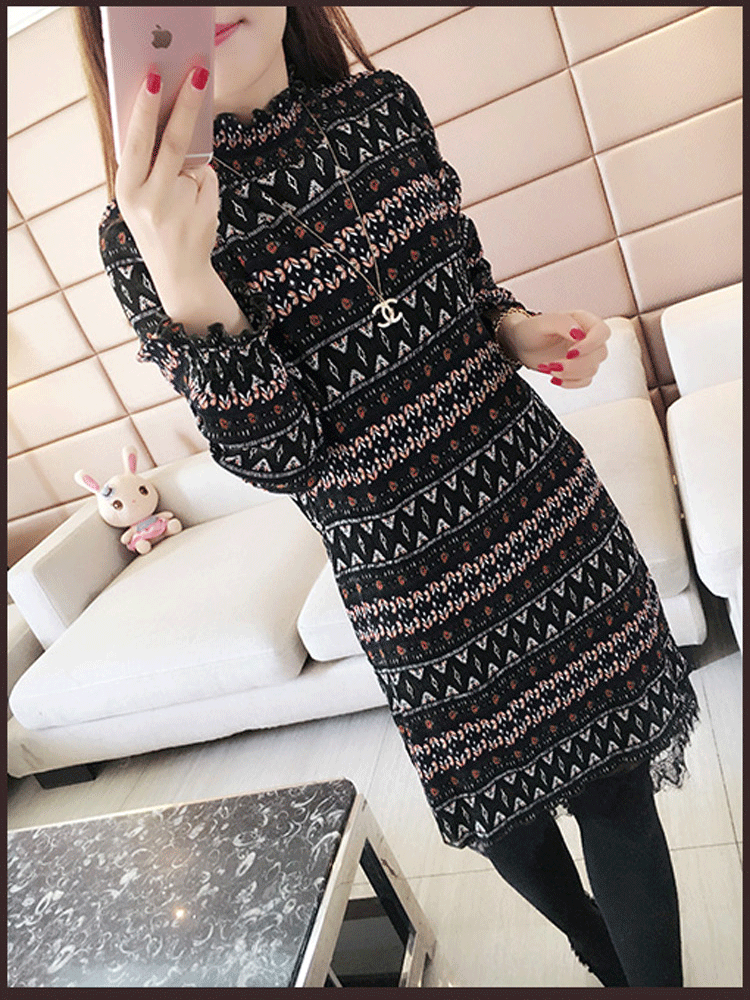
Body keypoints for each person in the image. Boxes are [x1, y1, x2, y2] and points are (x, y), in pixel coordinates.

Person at [75, 7, 699, 987]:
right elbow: (282, 457)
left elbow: (467, 286)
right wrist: (187, 275)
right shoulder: (140, 232)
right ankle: (596, 950)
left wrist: (519, 329)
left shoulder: (383, 109)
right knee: (506, 822)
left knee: (618, 798)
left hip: (548, 517)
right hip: (410, 588)